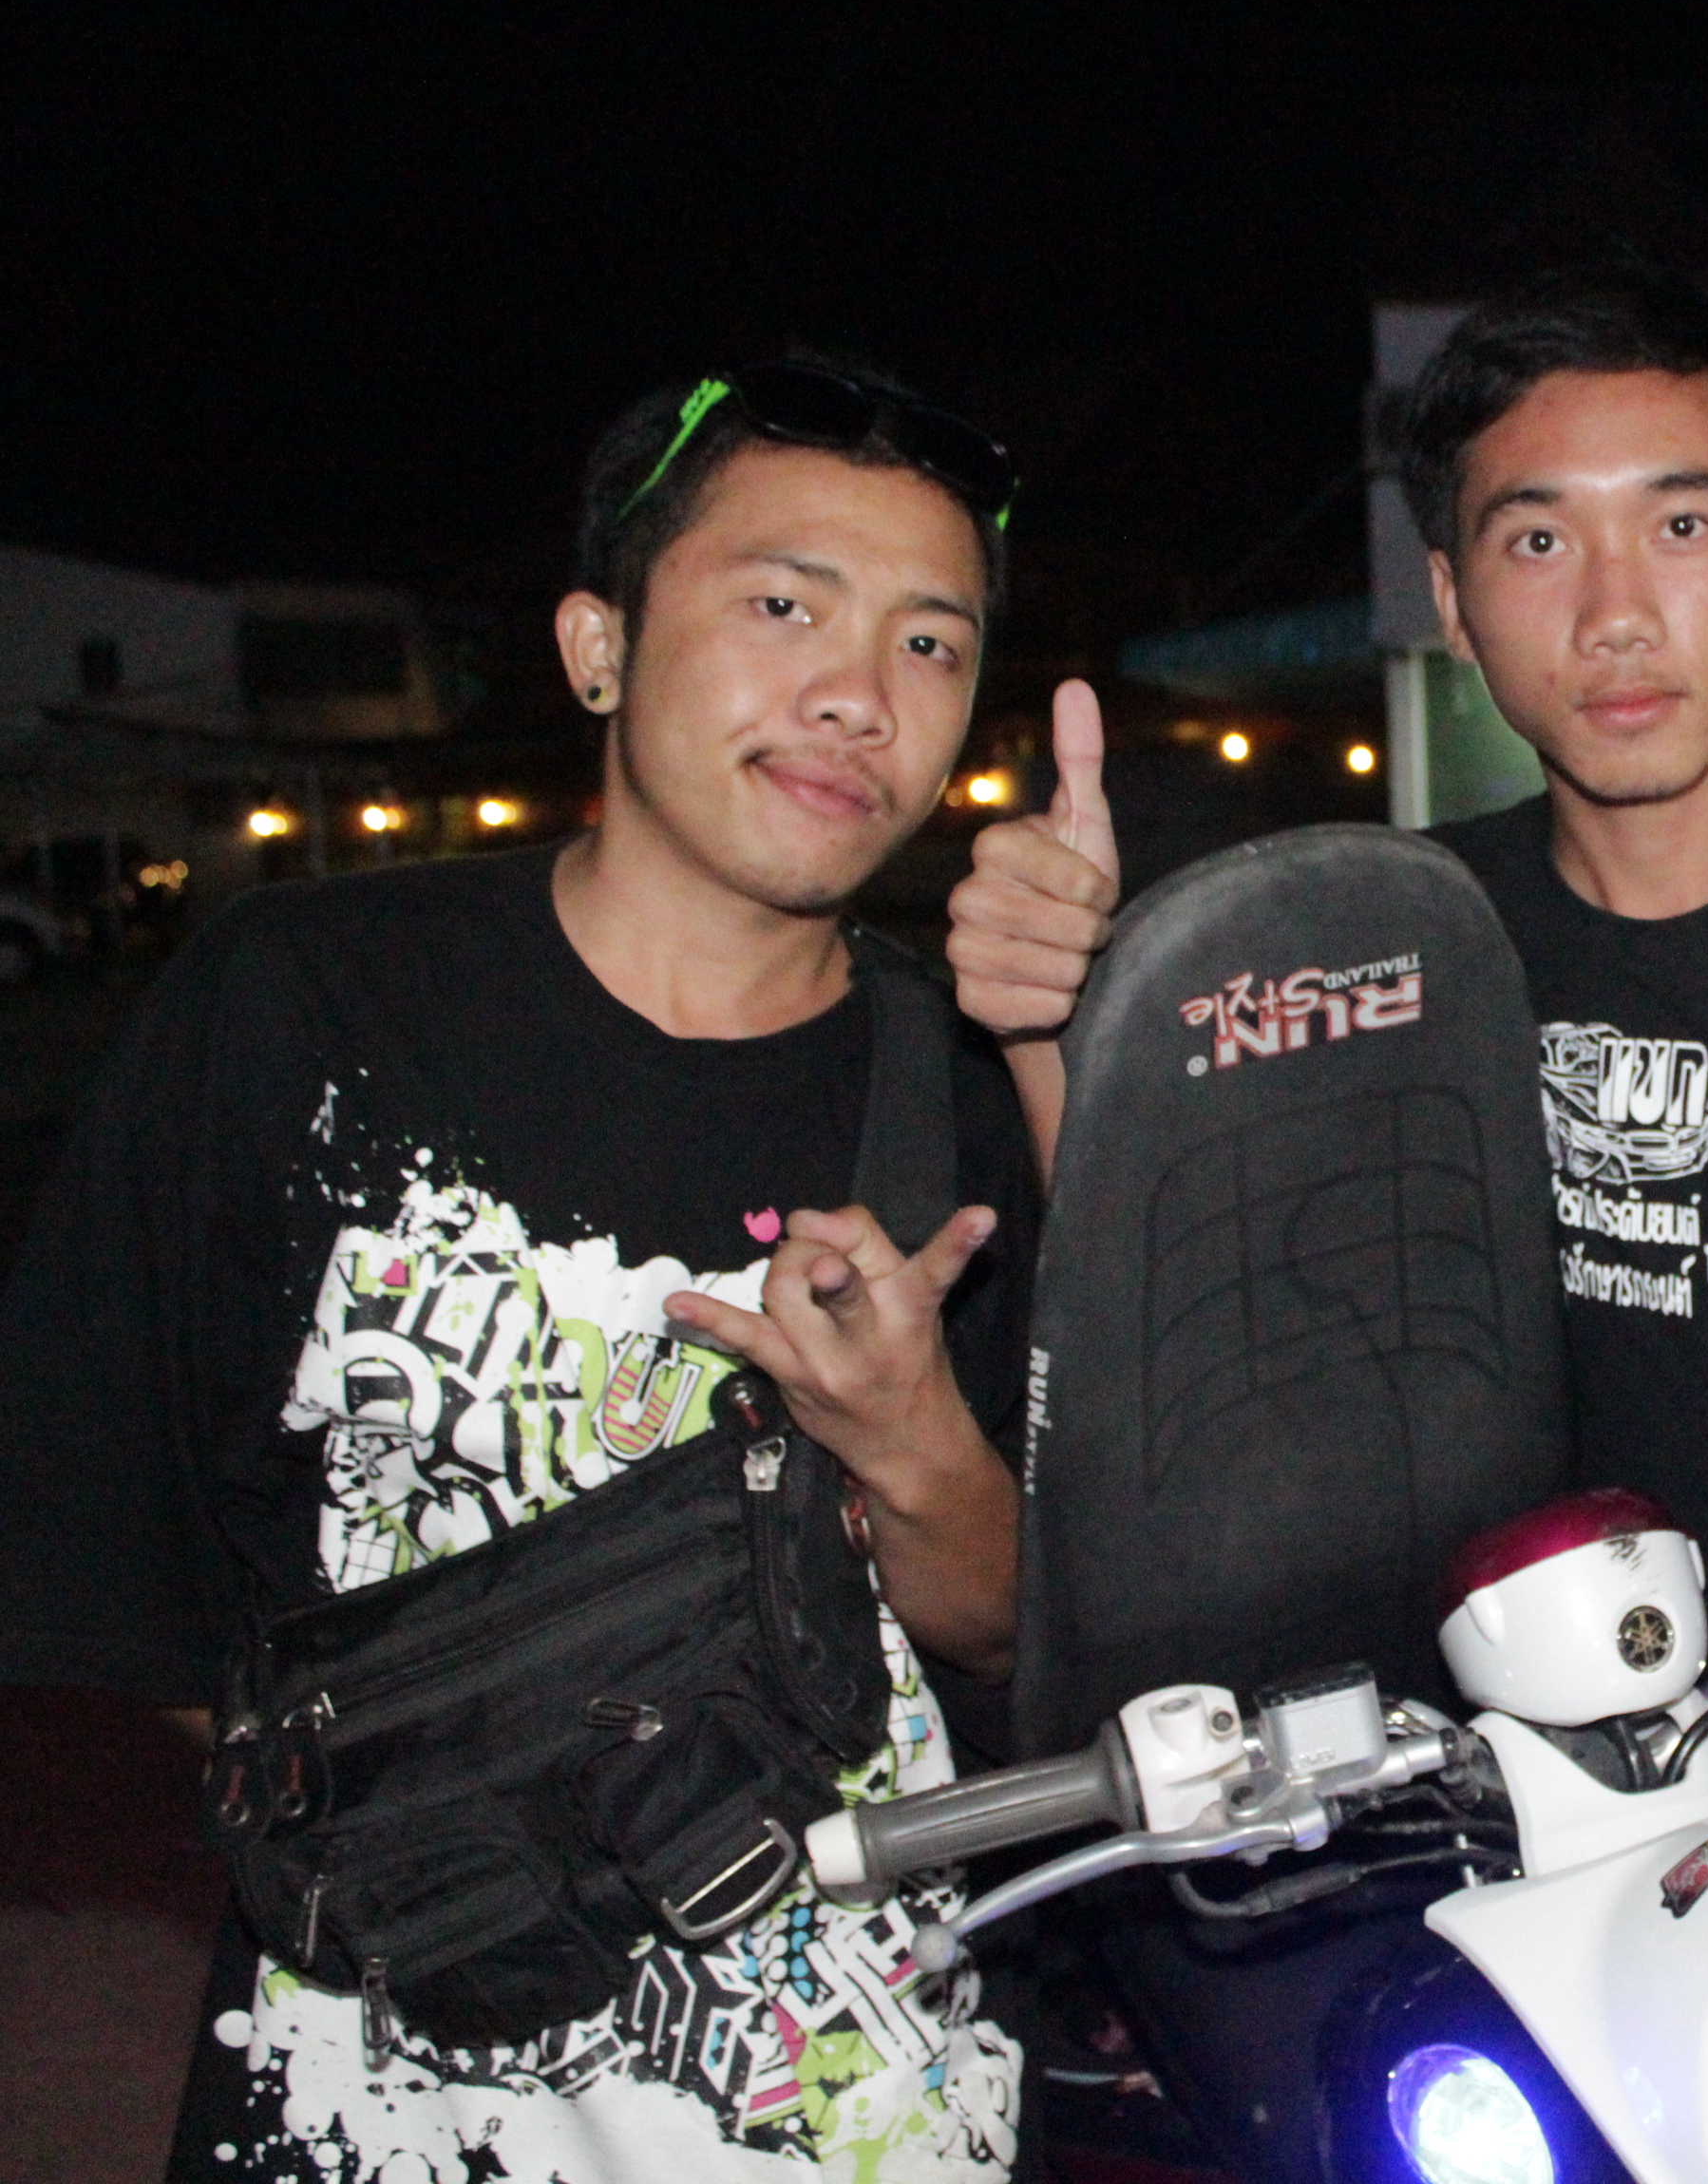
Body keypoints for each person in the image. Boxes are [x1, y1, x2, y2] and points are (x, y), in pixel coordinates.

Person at [944, 260, 1708, 2141]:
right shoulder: (1395, 944)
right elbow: (1205, 1389)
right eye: (1539, 541)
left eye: (1682, 524)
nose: (1618, 612)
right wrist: (1067, 1036)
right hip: (1512, 1893)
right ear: (1453, 602)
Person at [0, 356, 1042, 2181]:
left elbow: (1015, 1638)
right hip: (359, 2112)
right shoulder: (303, 1008)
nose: (858, 695)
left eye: (930, 643)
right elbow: (97, 1567)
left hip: (870, 2120)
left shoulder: (967, 1096)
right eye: (783, 605)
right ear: (598, 647)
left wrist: (910, 1445)